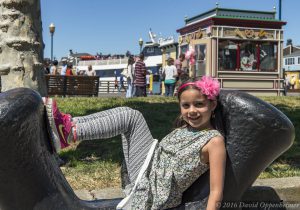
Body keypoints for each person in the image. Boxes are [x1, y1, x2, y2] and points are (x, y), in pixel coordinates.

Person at [43, 76, 226, 209]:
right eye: (186, 105)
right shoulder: (185, 128)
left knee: (132, 117)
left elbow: (216, 191)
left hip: (153, 188)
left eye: (199, 104)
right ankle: (68, 126)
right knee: (127, 113)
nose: (192, 111)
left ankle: (68, 132)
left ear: (213, 105)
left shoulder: (213, 141)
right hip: (148, 169)